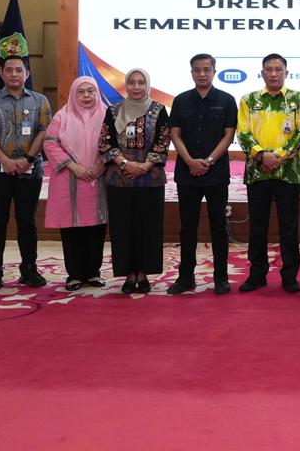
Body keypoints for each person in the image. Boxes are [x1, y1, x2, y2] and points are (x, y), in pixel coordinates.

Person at [0, 56, 52, 293]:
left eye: (19, 70)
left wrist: (28, 159)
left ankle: (29, 270)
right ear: (3, 74)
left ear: (27, 74)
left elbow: (45, 131)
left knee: (27, 222)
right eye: (9, 70)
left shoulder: (40, 101)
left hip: (30, 171)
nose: (14, 74)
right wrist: (4, 160)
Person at [236, 54, 300, 293]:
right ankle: (257, 274)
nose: (274, 74)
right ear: (262, 73)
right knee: (258, 227)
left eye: (278, 69)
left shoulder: (299, 99)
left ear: (286, 72)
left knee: (289, 226)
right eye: (269, 69)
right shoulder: (249, 100)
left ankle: (290, 276)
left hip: (288, 174)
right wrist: (261, 155)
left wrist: (277, 156)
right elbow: (242, 133)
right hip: (257, 173)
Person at [98, 68, 171, 295]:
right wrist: (124, 164)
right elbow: (105, 142)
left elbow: (163, 140)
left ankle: (144, 273)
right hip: (120, 180)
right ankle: (129, 273)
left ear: (147, 85)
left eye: (141, 82)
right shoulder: (113, 110)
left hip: (150, 179)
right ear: (126, 85)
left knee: (148, 227)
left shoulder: (158, 110)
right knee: (123, 227)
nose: (136, 87)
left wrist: (146, 165)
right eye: (132, 82)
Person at [167, 54, 236, 295]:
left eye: (207, 69)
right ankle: (186, 277)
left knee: (219, 227)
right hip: (187, 173)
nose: (202, 74)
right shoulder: (181, 100)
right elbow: (175, 134)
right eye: (197, 70)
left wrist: (208, 161)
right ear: (192, 73)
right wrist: (189, 161)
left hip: (216, 173)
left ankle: (221, 277)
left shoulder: (227, 100)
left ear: (214, 71)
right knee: (188, 227)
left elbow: (229, 135)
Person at [43, 76, 109, 290]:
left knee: (96, 228)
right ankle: (74, 274)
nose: (86, 96)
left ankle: (93, 273)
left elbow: (115, 143)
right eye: (81, 92)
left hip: (99, 178)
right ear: (73, 94)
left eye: (91, 91)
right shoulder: (62, 116)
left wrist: (100, 166)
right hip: (68, 178)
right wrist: (74, 167)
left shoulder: (107, 115)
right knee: (71, 228)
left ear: (97, 93)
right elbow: (50, 144)